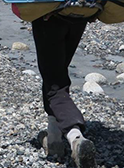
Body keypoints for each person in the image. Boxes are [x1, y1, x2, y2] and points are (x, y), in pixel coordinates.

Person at [34, 14, 96, 167]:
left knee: (54, 85)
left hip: (48, 16)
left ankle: (76, 139)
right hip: (79, 15)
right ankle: (54, 139)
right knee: (55, 72)